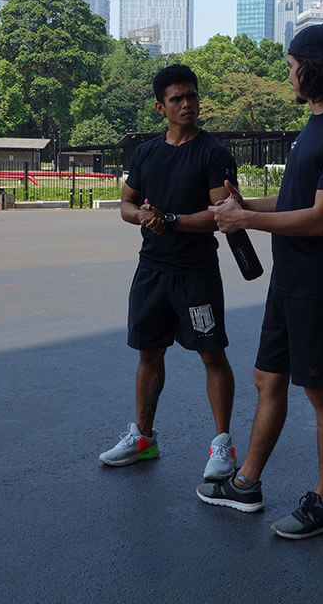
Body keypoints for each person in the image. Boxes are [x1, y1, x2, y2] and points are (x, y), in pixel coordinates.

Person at [196, 24, 323, 539]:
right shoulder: (315, 127)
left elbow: (322, 219)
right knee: (267, 378)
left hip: (322, 280)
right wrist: (245, 205)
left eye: (293, 66)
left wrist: (245, 222)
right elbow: (297, 201)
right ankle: (246, 483)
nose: (289, 74)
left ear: (312, 71)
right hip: (290, 277)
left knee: (322, 392)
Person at [100, 64, 240, 484]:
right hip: (152, 270)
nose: (187, 105)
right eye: (177, 99)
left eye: (192, 97)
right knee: (149, 353)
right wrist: (143, 216)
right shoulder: (146, 153)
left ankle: (222, 445)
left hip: (196, 272)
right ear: (161, 107)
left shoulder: (213, 152)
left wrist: (171, 218)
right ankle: (143, 438)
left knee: (211, 354)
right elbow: (126, 204)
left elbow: (221, 215)